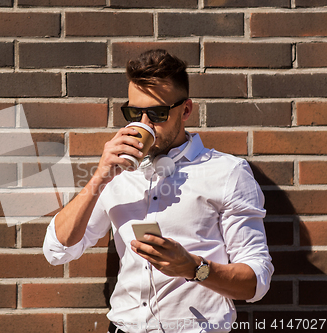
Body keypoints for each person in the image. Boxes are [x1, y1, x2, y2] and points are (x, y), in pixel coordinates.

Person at [43, 49, 273, 333]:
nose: (144, 124)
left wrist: (193, 268)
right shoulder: (116, 172)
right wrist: (101, 176)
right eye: (134, 113)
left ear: (186, 110)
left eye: (157, 113)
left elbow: (256, 281)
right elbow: (58, 250)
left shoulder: (227, 172)